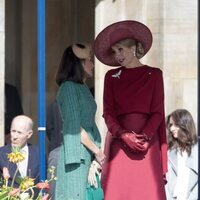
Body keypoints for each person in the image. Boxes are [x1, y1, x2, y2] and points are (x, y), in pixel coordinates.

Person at [94, 20, 167, 200]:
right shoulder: (111, 77)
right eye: (114, 51)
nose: (117, 55)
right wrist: (123, 135)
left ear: (134, 48)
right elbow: (108, 112)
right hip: (119, 143)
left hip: (147, 144)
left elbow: (158, 111)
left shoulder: (154, 74)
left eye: (121, 49)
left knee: (147, 192)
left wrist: (145, 137)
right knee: (119, 192)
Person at [54, 43, 106, 200]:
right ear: (79, 64)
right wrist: (98, 152)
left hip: (87, 153)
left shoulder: (81, 87)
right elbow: (74, 127)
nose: (93, 64)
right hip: (77, 157)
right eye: (89, 60)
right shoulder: (69, 87)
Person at [165, 109, 198, 200]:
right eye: (171, 125)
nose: (172, 128)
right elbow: (165, 182)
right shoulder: (169, 152)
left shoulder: (196, 148)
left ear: (185, 124)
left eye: (175, 124)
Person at [0, 115, 39, 188]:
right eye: (13, 131)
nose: (15, 137)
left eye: (19, 132)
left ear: (29, 134)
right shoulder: (1, 153)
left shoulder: (38, 154)